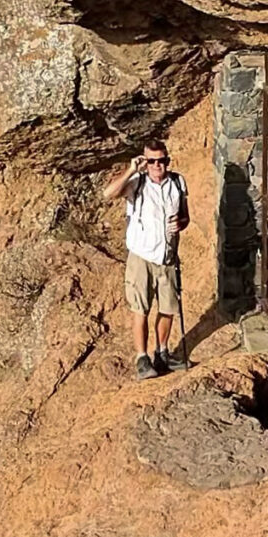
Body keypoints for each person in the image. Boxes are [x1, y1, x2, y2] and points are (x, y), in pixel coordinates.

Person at [102, 140, 190, 379]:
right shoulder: (137, 182)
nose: (157, 165)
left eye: (162, 160)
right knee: (140, 308)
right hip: (141, 257)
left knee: (168, 307)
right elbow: (108, 194)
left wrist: (181, 223)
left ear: (167, 161)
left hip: (167, 256)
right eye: (151, 161)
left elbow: (185, 216)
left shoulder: (178, 182)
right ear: (145, 162)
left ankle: (162, 353)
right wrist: (131, 169)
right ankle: (142, 358)